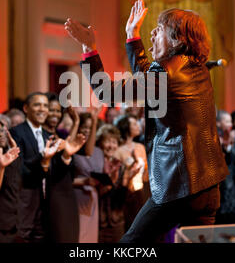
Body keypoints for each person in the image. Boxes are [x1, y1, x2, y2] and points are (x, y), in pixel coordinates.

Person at [65, 0, 228, 242]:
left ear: (178, 39)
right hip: (208, 187)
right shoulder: (198, 68)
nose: (152, 32)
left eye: (160, 28)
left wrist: (90, 49)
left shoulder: (163, 73)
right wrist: (132, 36)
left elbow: (107, 93)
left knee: (130, 245)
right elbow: (148, 75)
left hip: (179, 186)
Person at [10, 92, 85, 243]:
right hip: (26, 201)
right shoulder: (16, 133)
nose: (42, 109)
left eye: (45, 105)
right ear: (26, 108)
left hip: (48, 203)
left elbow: (57, 173)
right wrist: (43, 158)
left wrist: (66, 156)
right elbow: (19, 169)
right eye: (37, 105)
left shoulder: (47, 135)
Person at [96, 124, 141, 243]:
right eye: (107, 141)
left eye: (114, 142)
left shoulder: (121, 167)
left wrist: (129, 179)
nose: (111, 146)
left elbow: (123, 197)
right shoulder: (96, 165)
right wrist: (111, 179)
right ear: (100, 143)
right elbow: (98, 193)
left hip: (118, 222)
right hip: (99, 222)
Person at [72, 108, 104, 243]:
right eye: (84, 127)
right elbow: (63, 180)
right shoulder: (73, 149)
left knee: (91, 237)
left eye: (90, 128)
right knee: (80, 236)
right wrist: (83, 182)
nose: (87, 130)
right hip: (77, 197)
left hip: (94, 198)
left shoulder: (98, 151)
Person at [115, 114, 149, 231]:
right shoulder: (118, 150)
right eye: (134, 124)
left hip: (141, 192)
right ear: (127, 127)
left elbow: (146, 174)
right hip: (126, 194)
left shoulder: (140, 147)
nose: (138, 126)